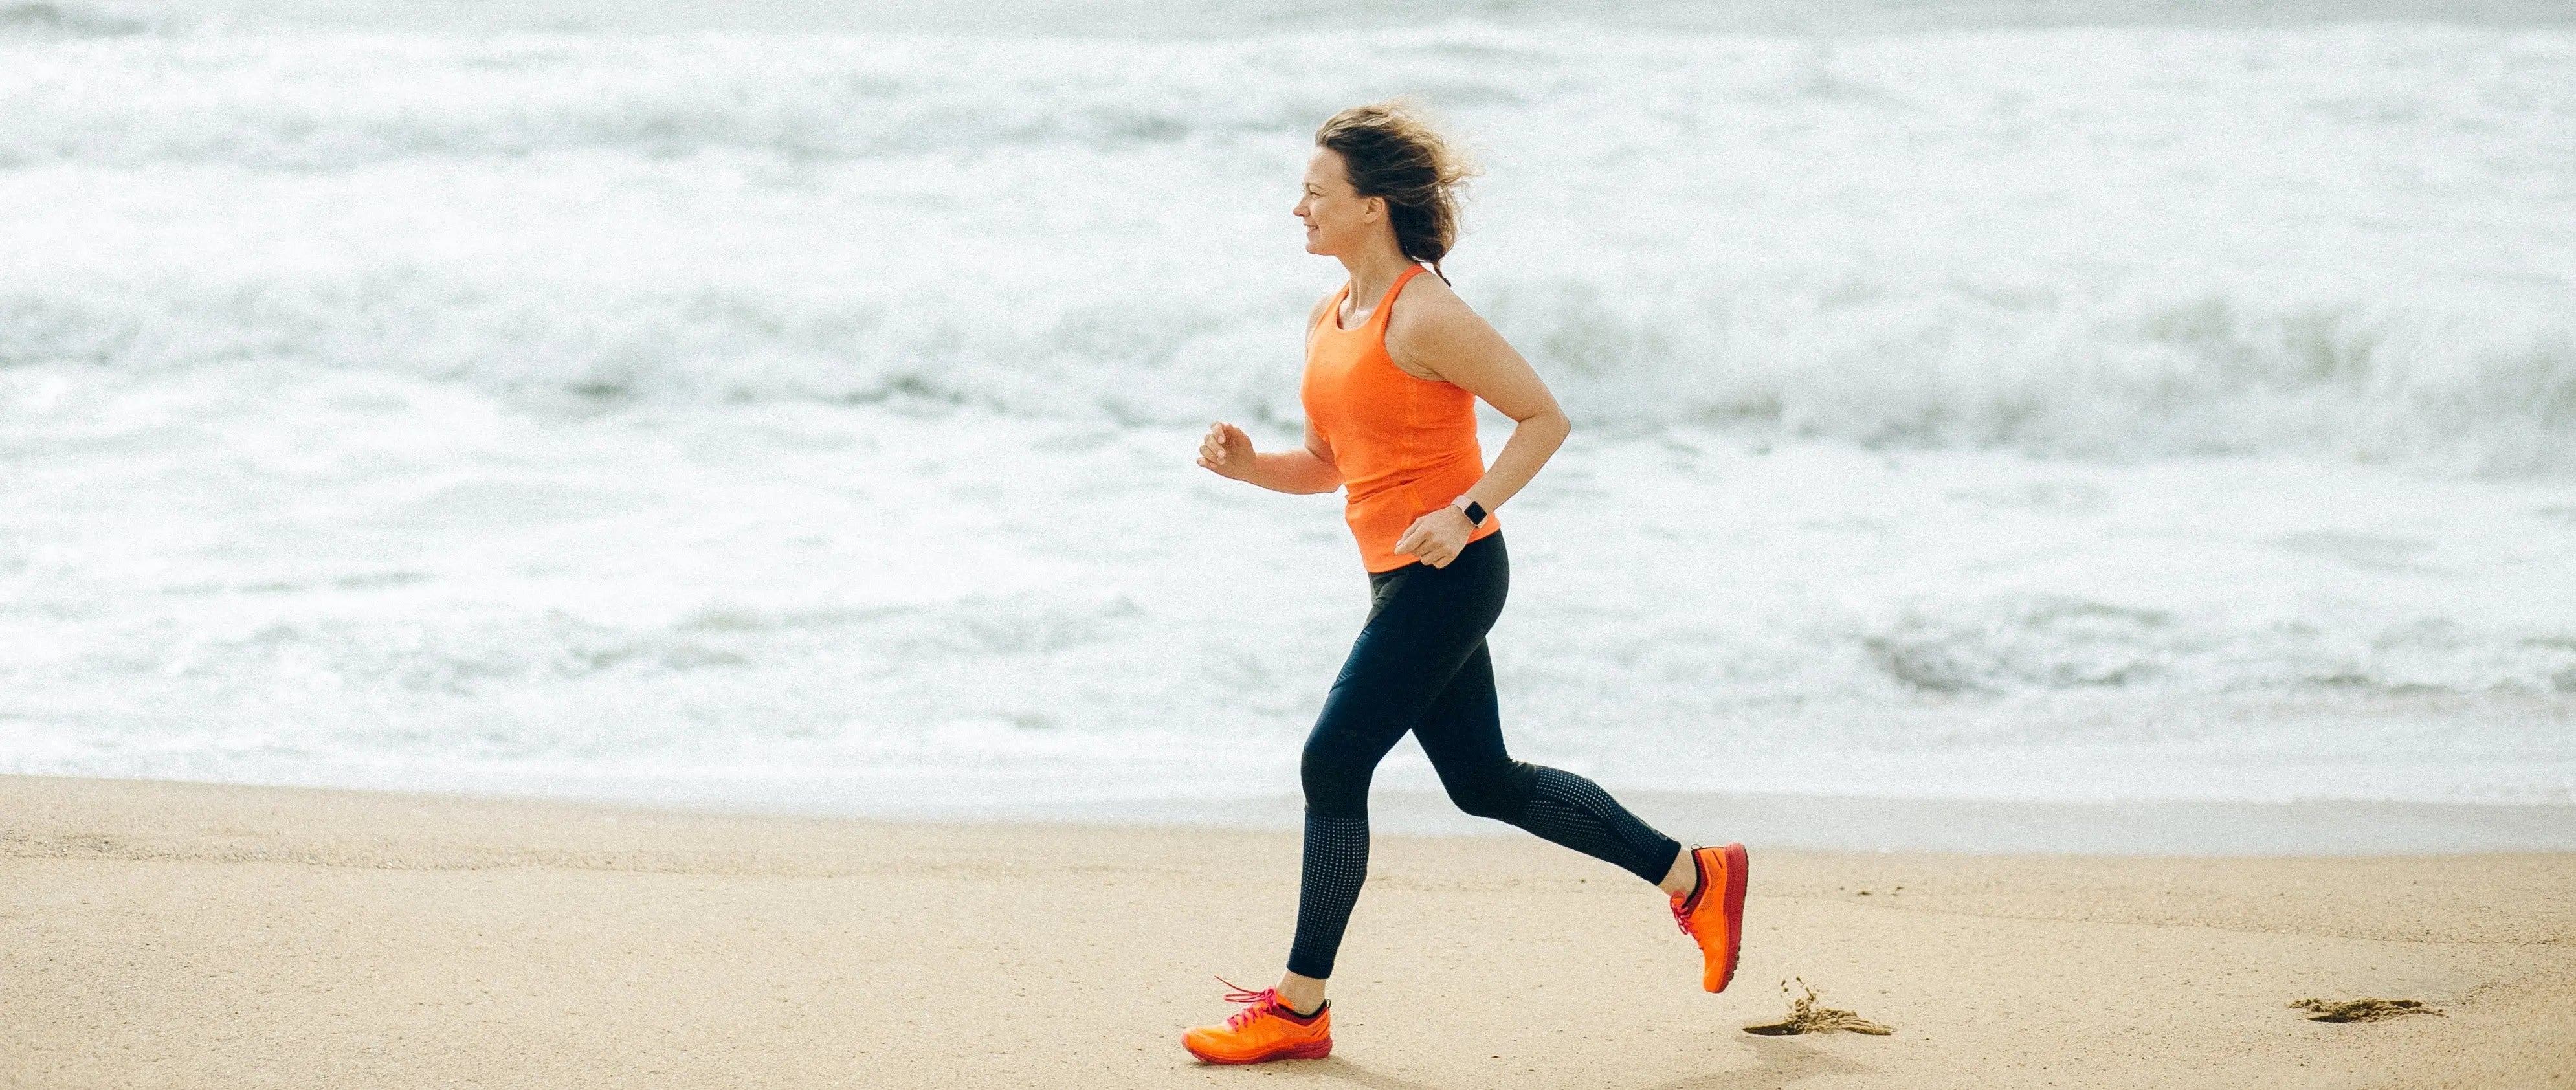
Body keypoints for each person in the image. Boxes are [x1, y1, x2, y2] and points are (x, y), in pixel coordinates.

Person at [1181, 100, 1748, 1065]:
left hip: (1450, 574)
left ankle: (1299, 1008)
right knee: (1486, 784)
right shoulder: (1332, 315)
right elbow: (1329, 462)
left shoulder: (1428, 310)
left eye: (1316, 193)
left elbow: (1543, 418)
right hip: (1397, 580)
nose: (1298, 209)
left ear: (1373, 206)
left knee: (1332, 760)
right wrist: (1248, 468)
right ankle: (1695, 878)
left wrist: (1469, 512)